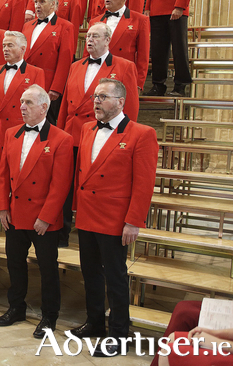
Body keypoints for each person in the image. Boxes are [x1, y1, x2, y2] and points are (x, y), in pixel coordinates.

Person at [70, 78, 158, 357]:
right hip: (87, 214)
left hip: (115, 218)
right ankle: (95, 322)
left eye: (103, 97)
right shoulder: (86, 128)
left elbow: (144, 183)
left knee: (116, 278)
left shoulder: (141, 133)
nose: (96, 101)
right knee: (90, 273)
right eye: (95, 96)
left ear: (121, 101)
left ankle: (119, 333)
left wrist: (133, 221)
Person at [0, 84, 73, 338]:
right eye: (21, 102)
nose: (22, 107)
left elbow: (60, 185)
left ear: (44, 106)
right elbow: (3, 174)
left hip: (43, 219)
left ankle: (50, 316)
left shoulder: (62, 139)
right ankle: (16, 307)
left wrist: (46, 217)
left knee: (48, 270)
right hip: (15, 214)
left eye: (28, 102)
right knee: (15, 265)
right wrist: (3, 208)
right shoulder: (11, 133)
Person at [57, 23, 140, 247]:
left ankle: (96, 232)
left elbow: (130, 106)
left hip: (103, 136)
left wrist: (122, 136)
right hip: (73, 133)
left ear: (107, 39)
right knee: (64, 183)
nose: (90, 40)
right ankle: (62, 232)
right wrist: (60, 133)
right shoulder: (76, 65)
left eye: (95, 36)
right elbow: (66, 103)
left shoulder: (124, 66)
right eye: (88, 36)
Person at [0, 31, 46, 235]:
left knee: (16, 175)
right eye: (3, 46)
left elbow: (38, 107)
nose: (5, 49)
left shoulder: (36, 72)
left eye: (10, 45)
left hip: (20, 133)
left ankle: (18, 219)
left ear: (22, 48)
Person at [21, 0, 74, 122]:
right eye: (36, 2)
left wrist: (56, 88)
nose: (37, 5)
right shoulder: (27, 26)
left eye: (42, 2)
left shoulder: (65, 26)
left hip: (48, 84)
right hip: (26, 81)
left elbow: (65, 60)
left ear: (53, 5)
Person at [88, 0, 150, 90]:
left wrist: (139, 83)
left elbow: (143, 56)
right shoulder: (94, 22)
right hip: (97, 76)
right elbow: (87, 53)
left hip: (123, 76)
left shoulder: (140, 20)